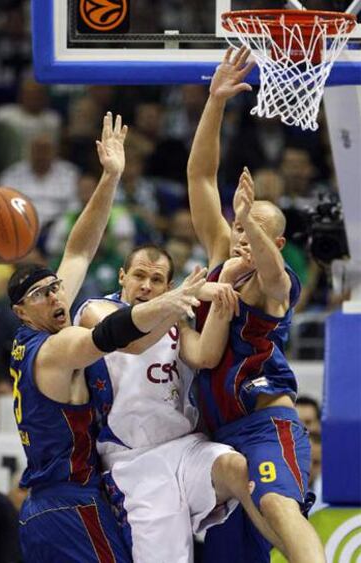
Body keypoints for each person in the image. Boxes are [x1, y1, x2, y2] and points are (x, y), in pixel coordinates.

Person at [8, 112, 208, 563]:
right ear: (22, 312)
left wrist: (110, 177)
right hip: (71, 500)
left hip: (45, 508)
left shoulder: (44, 324)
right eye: (42, 294)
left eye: (55, 288)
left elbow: (79, 249)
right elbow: (112, 334)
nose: (56, 296)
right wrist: (175, 298)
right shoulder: (55, 346)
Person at [187, 46, 326, 563]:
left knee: (278, 504)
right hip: (214, 436)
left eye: (255, 233)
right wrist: (216, 102)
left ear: (276, 240)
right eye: (240, 230)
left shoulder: (277, 281)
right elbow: (201, 178)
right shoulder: (222, 254)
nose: (243, 239)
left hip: (266, 424)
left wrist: (248, 220)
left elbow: (269, 269)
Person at [74, 243, 282, 563]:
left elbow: (205, 356)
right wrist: (188, 294)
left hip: (184, 446)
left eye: (156, 280)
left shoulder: (176, 320)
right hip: (133, 461)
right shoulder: (95, 310)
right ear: (121, 276)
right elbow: (130, 340)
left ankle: (297, 553)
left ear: (167, 286)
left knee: (238, 469)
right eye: (139, 276)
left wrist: (221, 306)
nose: (146, 286)